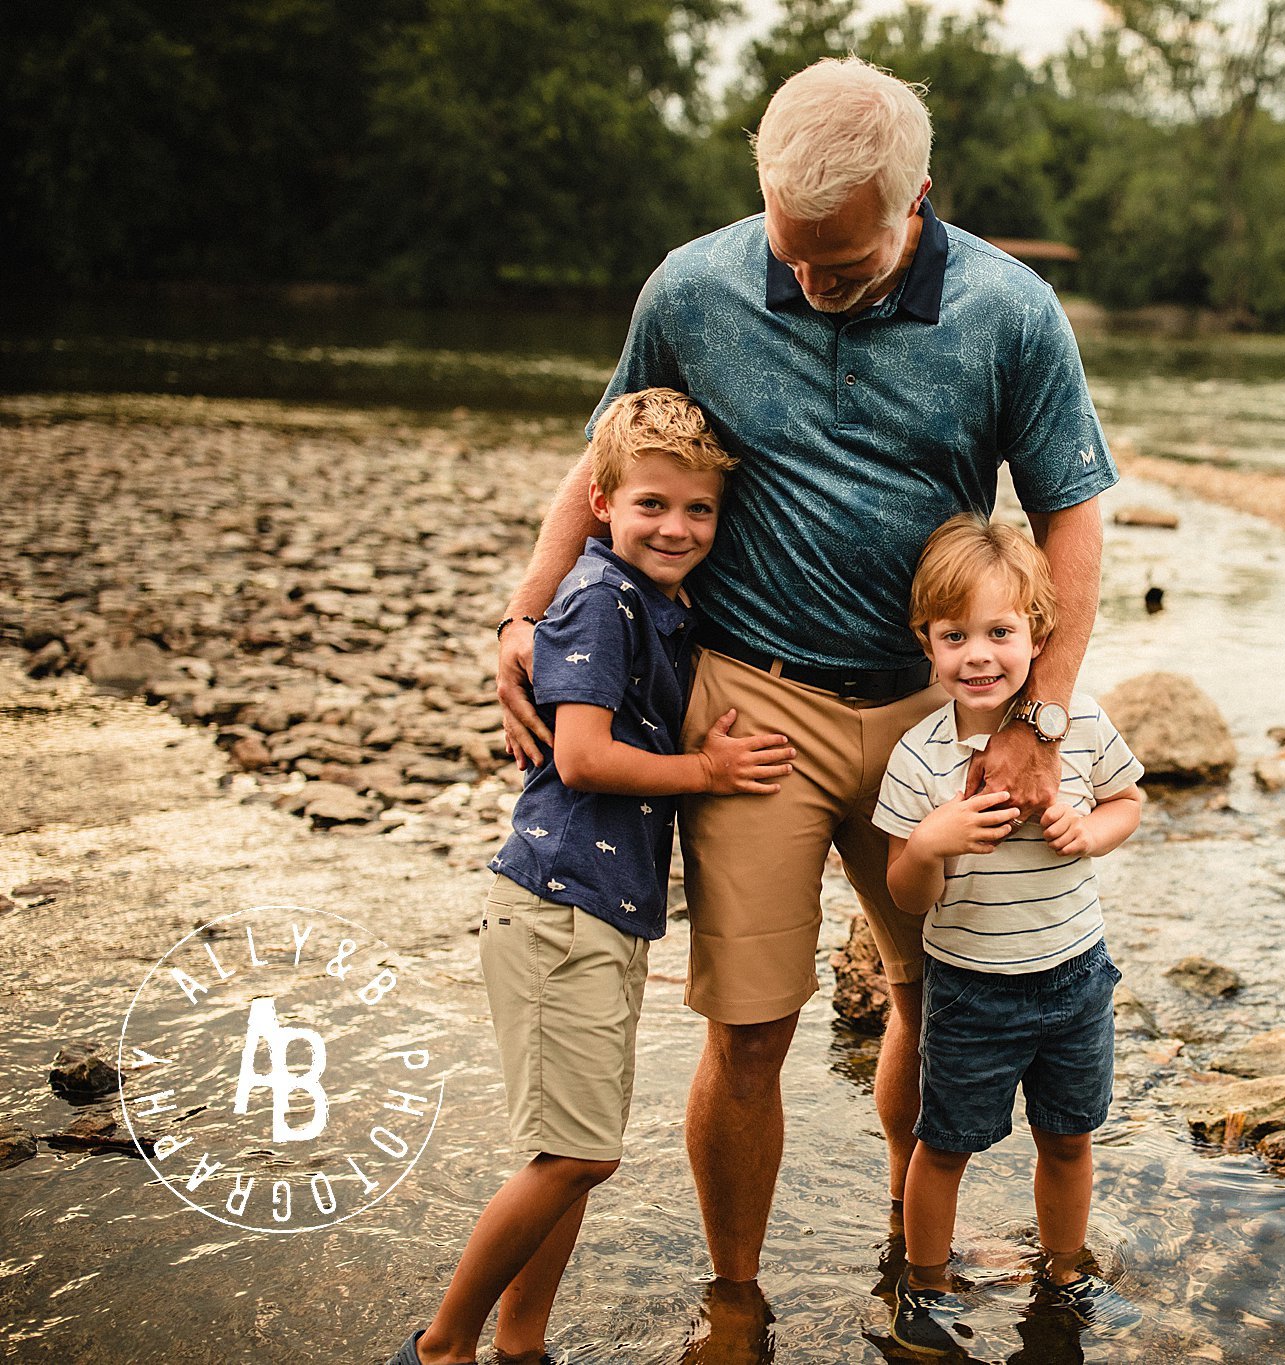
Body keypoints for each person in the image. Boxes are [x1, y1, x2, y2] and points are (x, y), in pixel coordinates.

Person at [490, 56, 1117, 1302]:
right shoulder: (693, 284)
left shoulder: (1008, 311)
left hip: (932, 711)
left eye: (843, 260)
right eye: (794, 253)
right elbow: (605, 458)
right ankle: (735, 1294)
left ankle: (908, 1242)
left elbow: (1072, 520)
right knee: (749, 1028)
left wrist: (1037, 717)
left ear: (916, 196)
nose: (812, 283)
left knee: (932, 997)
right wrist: (523, 611)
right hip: (749, 705)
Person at [392, 390, 795, 1365]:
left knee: (566, 1158)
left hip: (600, 914)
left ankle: (520, 1345)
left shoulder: (655, 602)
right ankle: (443, 1347)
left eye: (698, 510)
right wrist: (706, 772)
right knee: (579, 1154)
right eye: (652, 504)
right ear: (602, 499)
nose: (677, 527)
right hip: (556, 908)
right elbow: (579, 755)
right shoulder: (598, 598)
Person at [872, 514, 1144, 1354]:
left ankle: (1063, 1267)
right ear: (926, 641)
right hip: (971, 985)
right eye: (955, 636)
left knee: (1068, 1135)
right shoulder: (920, 758)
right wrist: (929, 843)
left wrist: (1086, 831)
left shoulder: (1079, 728)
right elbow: (906, 893)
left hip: (1074, 976)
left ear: (1039, 632)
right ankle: (924, 1282)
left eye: (1000, 631)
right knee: (943, 1142)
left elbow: (1130, 803)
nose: (979, 655)